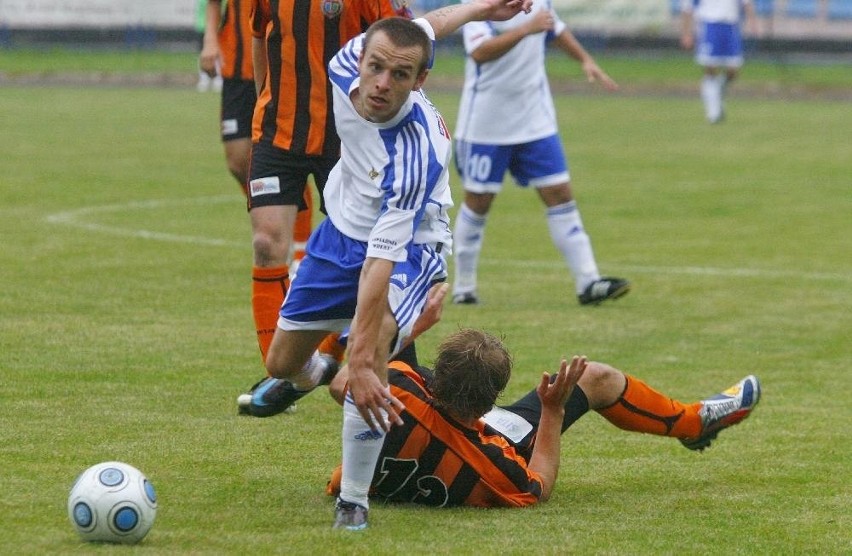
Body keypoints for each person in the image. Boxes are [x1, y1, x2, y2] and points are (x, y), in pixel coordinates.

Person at [260, 0, 536, 530]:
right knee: (280, 363)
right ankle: (326, 374)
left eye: (401, 75)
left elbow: (379, 264)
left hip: (409, 246)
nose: (382, 83)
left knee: (373, 350)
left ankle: (354, 502)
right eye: (377, 66)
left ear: (420, 81)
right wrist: (483, 6)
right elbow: (426, 27)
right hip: (340, 231)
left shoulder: (415, 154)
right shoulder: (346, 65)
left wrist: (366, 354)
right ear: (361, 56)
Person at [326, 326, 761, 509]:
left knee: (382, 314)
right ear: (489, 403)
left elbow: (345, 380)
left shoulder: (396, 387)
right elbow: (538, 486)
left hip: (427, 425)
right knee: (596, 378)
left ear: (435, 374)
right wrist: (551, 411)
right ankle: (693, 422)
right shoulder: (495, 464)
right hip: (473, 441)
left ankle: (291, 370)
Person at [234, 0, 413, 417]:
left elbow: (403, 46)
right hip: (278, 134)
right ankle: (288, 376)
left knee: (366, 251)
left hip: (347, 137)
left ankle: (356, 353)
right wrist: (266, 98)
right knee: (265, 242)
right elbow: (261, 39)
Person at [450, 1, 630, 307]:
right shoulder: (478, 5)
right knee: (479, 201)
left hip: (535, 121)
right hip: (486, 124)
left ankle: (588, 282)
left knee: (560, 193)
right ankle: (463, 287)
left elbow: (554, 28)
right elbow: (480, 51)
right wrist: (525, 29)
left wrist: (585, 60)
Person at [198, 0, 315, 416]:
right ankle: (289, 374)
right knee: (239, 164)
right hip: (246, 72)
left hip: (317, 92)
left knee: (356, 239)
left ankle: (302, 253)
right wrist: (211, 40)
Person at [679, 0, 758, 123]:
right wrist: (686, 33)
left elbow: (747, 3)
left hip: (730, 26)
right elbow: (687, 8)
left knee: (733, 71)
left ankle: (717, 93)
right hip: (709, 25)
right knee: (710, 68)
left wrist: (752, 22)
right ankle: (713, 112)